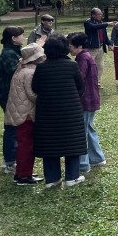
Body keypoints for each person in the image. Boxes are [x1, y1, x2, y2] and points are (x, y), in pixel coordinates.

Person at [31, 35, 87, 188]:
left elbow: (35, 88)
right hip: (70, 111)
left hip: (47, 111)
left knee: (50, 144)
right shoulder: (72, 66)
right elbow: (81, 87)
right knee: (72, 143)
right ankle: (72, 177)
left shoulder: (41, 67)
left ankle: (52, 179)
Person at [4, 42, 46, 185]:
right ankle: (24, 176)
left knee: (23, 144)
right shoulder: (30, 72)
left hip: (19, 112)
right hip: (26, 114)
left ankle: (21, 172)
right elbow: (32, 94)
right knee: (26, 145)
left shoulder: (21, 69)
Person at [68, 33, 106, 174]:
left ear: (78, 46)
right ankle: (97, 158)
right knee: (89, 129)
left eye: (70, 46)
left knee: (82, 132)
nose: (69, 49)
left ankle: (83, 164)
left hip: (85, 100)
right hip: (91, 99)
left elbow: (79, 78)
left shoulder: (82, 58)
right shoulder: (86, 56)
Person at [0, 26, 26, 174]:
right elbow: (16, 73)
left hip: (13, 96)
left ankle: (11, 159)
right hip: (8, 96)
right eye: (21, 35)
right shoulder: (8, 53)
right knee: (11, 128)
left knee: (15, 127)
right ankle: (9, 163)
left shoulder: (14, 51)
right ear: (14, 38)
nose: (23, 38)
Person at [84, 8, 115, 88]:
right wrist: (107, 23)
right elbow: (94, 27)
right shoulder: (88, 22)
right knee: (90, 66)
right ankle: (88, 83)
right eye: (98, 14)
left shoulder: (101, 23)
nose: (100, 15)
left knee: (100, 66)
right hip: (91, 48)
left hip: (101, 47)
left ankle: (97, 82)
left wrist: (109, 44)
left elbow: (104, 35)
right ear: (93, 15)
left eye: (101, 14)